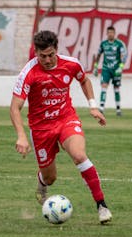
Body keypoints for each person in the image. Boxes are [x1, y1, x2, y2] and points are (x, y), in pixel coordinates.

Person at [10, 30, 113, 224]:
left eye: (51, 55)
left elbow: (84, 79)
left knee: (79, 155)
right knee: (50, 178)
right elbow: (15, 107)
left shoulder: (71, 64)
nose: (47, 60)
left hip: (66, 119)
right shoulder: (29, 73)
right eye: (42, 56)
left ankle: (101, 205)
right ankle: (42, 183)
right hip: (41, 128)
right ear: (36, 53)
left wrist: (93, 106)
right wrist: (21, 136)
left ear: (56, 50)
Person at [93, 26, 128, 116]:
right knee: (104, 86)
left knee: (116, 88)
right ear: (107, 33)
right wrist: (95, 66)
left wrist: (121, 67)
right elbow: (98, 55)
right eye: (109, 33)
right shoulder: (103, 44)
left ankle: (118, 109)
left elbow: (124, 56)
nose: (110, 34)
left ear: (114, 33)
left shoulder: (119, 44)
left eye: (112, 32)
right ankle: (101, 108)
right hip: (106, 69)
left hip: (116, 69)